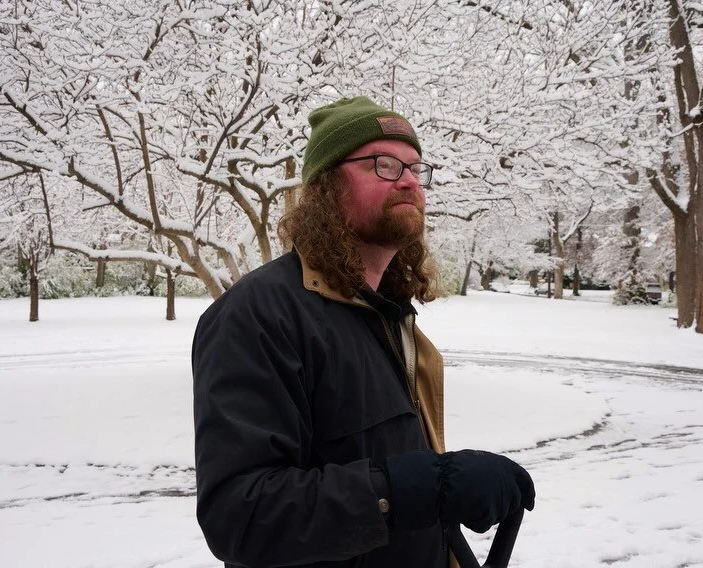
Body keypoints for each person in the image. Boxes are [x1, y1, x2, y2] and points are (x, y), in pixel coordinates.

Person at [192, 96, 535, 568]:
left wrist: (443, 493)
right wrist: (415, 486)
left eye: (417, 168)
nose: (410, 181)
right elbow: (239, 513)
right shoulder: (259, 314)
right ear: (326, 186)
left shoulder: (389, 316)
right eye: (385, 165)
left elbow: (391, 464)